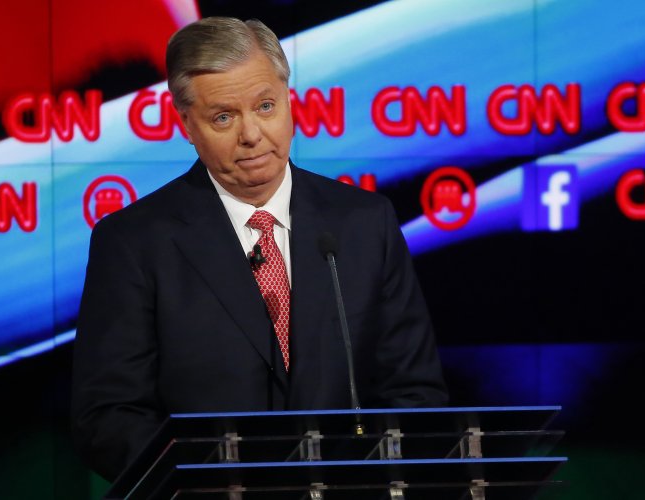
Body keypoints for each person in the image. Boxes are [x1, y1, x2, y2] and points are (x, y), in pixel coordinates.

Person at [71, 17, 448, 482]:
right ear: (187, 123)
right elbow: (108, 417)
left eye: (266, 106)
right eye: (223, 117)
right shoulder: (133, 242)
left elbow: (415, 394)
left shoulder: (364, 224)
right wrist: (209, 482)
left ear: (289, 101)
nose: (251, 134)